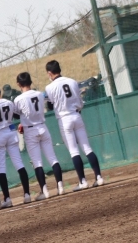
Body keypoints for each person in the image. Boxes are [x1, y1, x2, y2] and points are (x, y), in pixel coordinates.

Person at [44, 60, 105, 190]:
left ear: (49, 73)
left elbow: (50, 105)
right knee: (87, 148)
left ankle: (82, 181)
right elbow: (79, 101)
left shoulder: (49, 87)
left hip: (64, 119)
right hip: (77, 115)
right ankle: (99, 177)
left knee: (74, 151)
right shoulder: (72, 81)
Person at [13, 72, 64, 199]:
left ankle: (45, 191)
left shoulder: (18, 99)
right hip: (42, 127)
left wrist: (23, 121)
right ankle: (60, 186)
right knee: (53, 158)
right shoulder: (39, 94)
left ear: (19, 84)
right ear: (30, 81)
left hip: (30, 130)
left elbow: (16, 114)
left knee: (37, 162)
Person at [0, 85, 31, 206]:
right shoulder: (9, 102)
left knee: (1, 167)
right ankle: (27, 194)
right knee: (19, 163)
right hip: (10, 132)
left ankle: (7, 199)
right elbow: (16, 115)